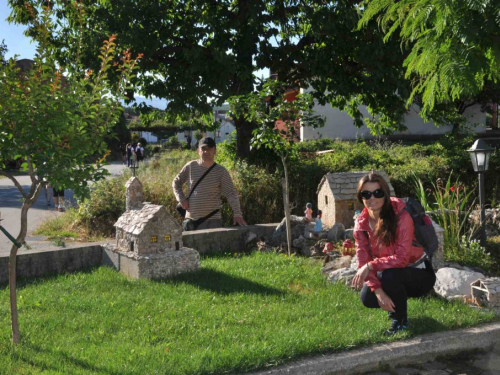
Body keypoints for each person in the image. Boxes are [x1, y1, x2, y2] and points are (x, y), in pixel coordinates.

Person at [351, 173, 436, 336]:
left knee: (390, 275)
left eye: (377, 192)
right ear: (360, 197)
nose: (372, 198)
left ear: (385, 194)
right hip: (392, 272)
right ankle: (397, 300)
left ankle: (400, 321)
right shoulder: (361, 224)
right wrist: (378, 292)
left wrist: (370, 266)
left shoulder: (401, 216)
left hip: (419, 273)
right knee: (367, 298)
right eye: (366, 194)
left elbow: (402, 259)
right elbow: (363, 260)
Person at [173, 137, 247, 230]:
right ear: (198, 151)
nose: (206, 152)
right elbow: (176, 182)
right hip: (191, 221)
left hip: (212, 221)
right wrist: (182, 199)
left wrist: (237, 213)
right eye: (203, 149)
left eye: (209, 149)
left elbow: (231, 193)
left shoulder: (221, 171)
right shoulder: (191, 166)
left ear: (215, 151)